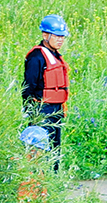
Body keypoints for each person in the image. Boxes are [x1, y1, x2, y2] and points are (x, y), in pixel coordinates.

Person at [22, 14, 71, 157]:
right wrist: (30, 110)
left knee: (55, 150)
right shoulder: (36, 57)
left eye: (62, 37)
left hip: (56, 109)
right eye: (56, 36)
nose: (60, 40)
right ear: (45, 35)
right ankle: (37, 178)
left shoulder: (55, 55)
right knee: (40, 149)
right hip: (42, 109)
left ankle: (53, 177)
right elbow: (28, 86)